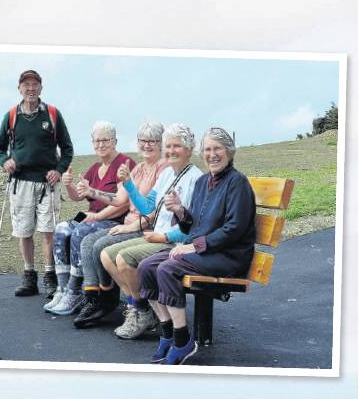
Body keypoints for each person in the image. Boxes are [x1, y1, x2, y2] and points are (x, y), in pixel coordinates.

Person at [135, 127, 256, 366]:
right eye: (208, 149)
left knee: (168, 269)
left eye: (217, 149)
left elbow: (234, 229)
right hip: (206, 251)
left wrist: (194, 247)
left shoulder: (237, 183)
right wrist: (181, 211)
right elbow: (195, 224)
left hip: (228, 255)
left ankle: (182, 341)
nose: (212, 154)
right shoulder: (203, 182)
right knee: (146, 267)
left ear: (229, 152)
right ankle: (168, 332)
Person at [91, 124, 203, 332]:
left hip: (175, 241)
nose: (170, 151)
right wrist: (128, 184)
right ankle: (143, 308)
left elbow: (193, 226)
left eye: (176, 146)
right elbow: (147, 207)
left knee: (124, 259)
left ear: (189, 149)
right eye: (168, 146)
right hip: (157, 236)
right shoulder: (168, 174)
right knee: (107, 255)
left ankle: (144, 312)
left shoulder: (195, 179)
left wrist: (162, 237)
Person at [58, 121, 168, 321]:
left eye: (153, 141)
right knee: (77, 236)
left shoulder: (162, 170)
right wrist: (88, 191)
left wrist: (128, 226)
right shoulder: (138, 169)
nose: (147, 145)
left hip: (142, 226)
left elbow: (155, 209)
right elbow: (119, 199)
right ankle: (88, 295)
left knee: (95, 242)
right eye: (143, 141)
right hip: (123, 221)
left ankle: (109, 298)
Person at [0, 69, 74, 297]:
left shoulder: (53, 115)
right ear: (19, 88)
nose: (30, 89)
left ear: (40, 88)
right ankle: (29, 277)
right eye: (26, 85)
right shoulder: (11, 116)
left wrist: (59, 170)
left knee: (48, 231)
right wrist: (4, 161)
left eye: (35, 85)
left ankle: (50, 276)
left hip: (48, 183)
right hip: (21, 183)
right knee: (24, 231)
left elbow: (67, 148)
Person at [41, 122, 131, 316]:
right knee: (62, 229)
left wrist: (96, 216)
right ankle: (62, 289)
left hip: (113, 219)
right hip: (92, 215)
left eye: (105, 140)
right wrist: (69, 185)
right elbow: (78, 197)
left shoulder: (125, 164)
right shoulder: (95, 167)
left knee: (81, 231)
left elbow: (123, 203)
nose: (100, 145)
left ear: (115, 141)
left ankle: (74, 290)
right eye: (97, 141)